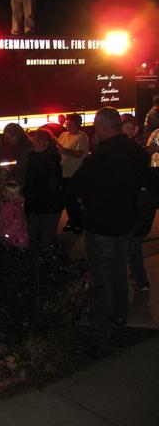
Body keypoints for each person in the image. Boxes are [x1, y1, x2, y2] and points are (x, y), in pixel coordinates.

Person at [72, 107, 147, 345]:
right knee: (119, 270)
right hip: (126, 220)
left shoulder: (99, 158)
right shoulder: (137, 152)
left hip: (102, 223)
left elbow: (76, 186)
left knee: (101, 275)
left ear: (102, 126)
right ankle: (119, 316)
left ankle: (101, 326)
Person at [24, 128, 63, 247]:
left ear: (44, 143)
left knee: (45, 237)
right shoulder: (34, 156)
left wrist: (32, 194)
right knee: (34, 235)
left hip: (48, 204)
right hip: (38, 203)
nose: (33, 143)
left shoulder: (51, 160)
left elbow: (51, 184)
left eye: (35, 141)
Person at [57, 113, 89, 234]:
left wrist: (63, 150)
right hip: (63, 173)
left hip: (74, 174)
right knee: (66, 200)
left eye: (70, 124)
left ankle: (79, 224)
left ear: (77, 125)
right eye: (66, 123)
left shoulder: (82, 137)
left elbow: (79, 153)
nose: (67, 126)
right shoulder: (63, 135)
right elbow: (57, 148)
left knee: (72, 200)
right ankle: (72, 221)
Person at [0, 180, 29, 249]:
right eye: (3, 191)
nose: (3, 193)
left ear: (13, 194)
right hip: (6, 238)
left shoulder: (17, 207)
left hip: (16, 240)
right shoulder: (6, 205)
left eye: (5, 191)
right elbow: (4, 220)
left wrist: (6, 235)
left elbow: (17, 224)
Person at [2, 122, 33, 188]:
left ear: (16, 135)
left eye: (8, 138)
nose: (6, 141)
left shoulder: (23, 150)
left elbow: (22, 171)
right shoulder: (25, 147)